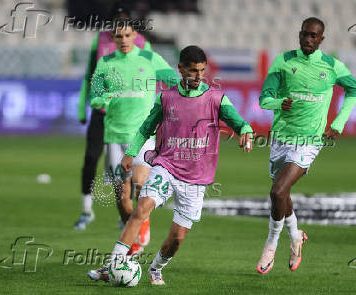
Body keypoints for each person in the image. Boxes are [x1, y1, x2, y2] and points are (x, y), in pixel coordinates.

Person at [87, 45, 253, 285]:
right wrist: (131, 154)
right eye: (193, 71)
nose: (198, 76)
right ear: (180, 69)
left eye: (202, 71)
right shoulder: (166, 97)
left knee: (177, 239)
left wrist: (246, 131)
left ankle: (155, 269)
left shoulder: (216, 98)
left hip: (196, 178)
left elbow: (239, 121)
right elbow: (146, 128)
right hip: (165, 165)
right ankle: (114, 264)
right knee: (141, 209)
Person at [256, 17, 356, 274]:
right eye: (305, 34)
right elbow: (263, 99)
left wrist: (339, 122)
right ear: (299, 34)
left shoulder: (332, 66)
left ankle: (271, 244)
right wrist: (280, 103)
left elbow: (354, 90)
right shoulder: (283, 61)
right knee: (283, 194)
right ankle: (295, 236)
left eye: (314, 36)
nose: (309, 40)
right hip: (282, 137)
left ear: (321, 39)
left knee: (277, 191)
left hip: (309, 141)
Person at [85, 21, 178, 257]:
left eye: (127, 35)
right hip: (114, 135)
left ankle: (141, 223)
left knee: (140, 183)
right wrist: (103, 99)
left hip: (143, 135)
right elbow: (94, 95)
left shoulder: (149, 58)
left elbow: (175, 82)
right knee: (121, 197)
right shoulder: (105, 63)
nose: (124, 40)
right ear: (114, 39)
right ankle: (134, 238)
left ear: (135, 35)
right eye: (119, 36)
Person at [74, 4, 152, 233]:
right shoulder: (100, 41)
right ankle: (87, 210)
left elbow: (152, 79)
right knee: (91, 158)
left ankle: (133, 218)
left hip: (133, 119)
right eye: (116, 20)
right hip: (103, 114)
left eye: (124, 19)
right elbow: (90, 74)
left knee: (136, 173)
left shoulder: (142, 44)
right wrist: (82, 107)